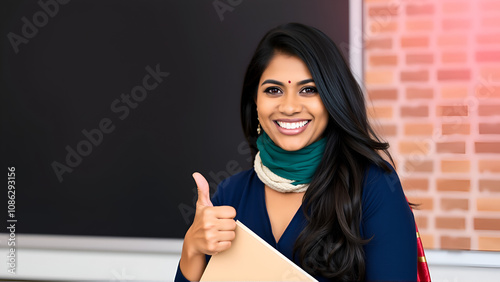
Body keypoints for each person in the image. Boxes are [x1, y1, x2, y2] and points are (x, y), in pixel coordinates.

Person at [175, 23, 427, 281]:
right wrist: (192, 249)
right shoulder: (231, 195)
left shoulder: (374, 187)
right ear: (256, 102)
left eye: (308, 90)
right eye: (274, 90)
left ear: (332, 99)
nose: (290, 107)